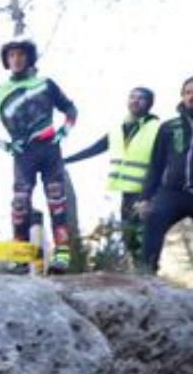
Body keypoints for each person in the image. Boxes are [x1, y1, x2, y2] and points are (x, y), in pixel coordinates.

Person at [0, 39, 79, 274]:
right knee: (20, 203)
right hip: (23, 154)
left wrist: (63, 131)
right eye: (11, 55)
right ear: (6, 60)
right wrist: (5, 145)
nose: (16, 59)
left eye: (21, 54)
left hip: (50, 150)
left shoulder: (45, 83)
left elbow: (71, 109)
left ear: (29, 57)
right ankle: (20, 256)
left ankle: (62, 254)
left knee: (57, 200)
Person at [64, 86, 159, 263]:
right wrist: (65, 160)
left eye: (141, 98)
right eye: (132, 97)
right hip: (127, 191)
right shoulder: (118, 129)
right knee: (128, 234)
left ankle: (148, 271)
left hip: (148, 192)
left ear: (149, 104)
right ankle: (139, 271)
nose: (135, 101)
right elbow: (95, 149)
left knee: (143, 234)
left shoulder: (157, 128)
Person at [136, 76, 193, 275]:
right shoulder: (169, 127)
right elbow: (156, 165)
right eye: (188, 92)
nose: (191, 96)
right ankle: (146, 274)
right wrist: (144, 198)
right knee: (154, 219)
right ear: (182, 96)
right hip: (172, 192)